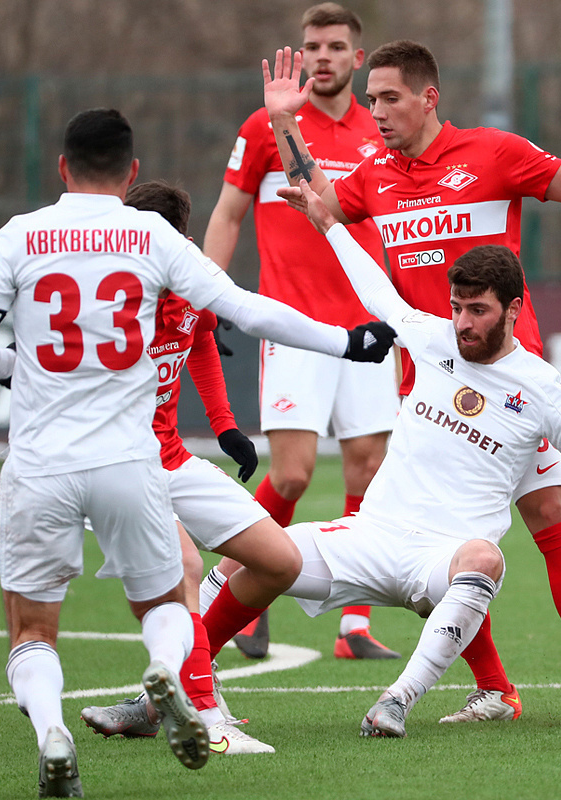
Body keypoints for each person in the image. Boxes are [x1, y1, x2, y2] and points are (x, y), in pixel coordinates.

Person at [197, 180, 561, 739]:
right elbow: (377, 296)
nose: (463, 322)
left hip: (442, 561)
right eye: (458, 307)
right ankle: (188, 677)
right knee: (257, 554)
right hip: (369, 539)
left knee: (485, 559)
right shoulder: (432, 336)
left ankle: (397, 701)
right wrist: (328, 221)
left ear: (514, 309)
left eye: (478, 310)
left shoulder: (543, 391)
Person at [0, 109, 396, 794]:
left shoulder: (20, 235)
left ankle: (62, 729)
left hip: (56, 462)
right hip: (128, 462)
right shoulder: (150, 237)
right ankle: (204, 709)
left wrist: (18, 369)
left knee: (273, 559)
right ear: (129, 173)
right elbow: (248, 307)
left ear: (62, 168)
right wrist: (348, 340)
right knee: (175, 582)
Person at [261, 38, 561, 723]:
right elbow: (316, 201)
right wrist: (287, 124)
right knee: (440, 547)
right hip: (430, 388)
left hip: (510, 388)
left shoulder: (493, 152)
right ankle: (495, 688)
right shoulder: (375, 172)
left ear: (430, 98)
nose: (376, 113)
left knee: (551, 512)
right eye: (371, 101)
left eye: (389, 98)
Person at [202, 2, 400, 661]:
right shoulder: (266, 124)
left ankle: (355, 625)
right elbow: (229, 215)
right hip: (295, 326)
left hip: (369, 329)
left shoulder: (381, 129)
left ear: (357, 58)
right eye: (312, 45)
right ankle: (234, 584)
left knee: (369, 470)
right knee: (290, 475)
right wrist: (204, 296)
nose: (321, 56)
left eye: (335, 47)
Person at [76, 180, 283, 755]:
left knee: (278, 560)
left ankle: (159, 698)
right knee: (185, 565)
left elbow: (199, 342)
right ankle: (207, 717)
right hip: (112, 467)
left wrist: (224, 425)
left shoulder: (189, 284)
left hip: (170, 459)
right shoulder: (101, 302)